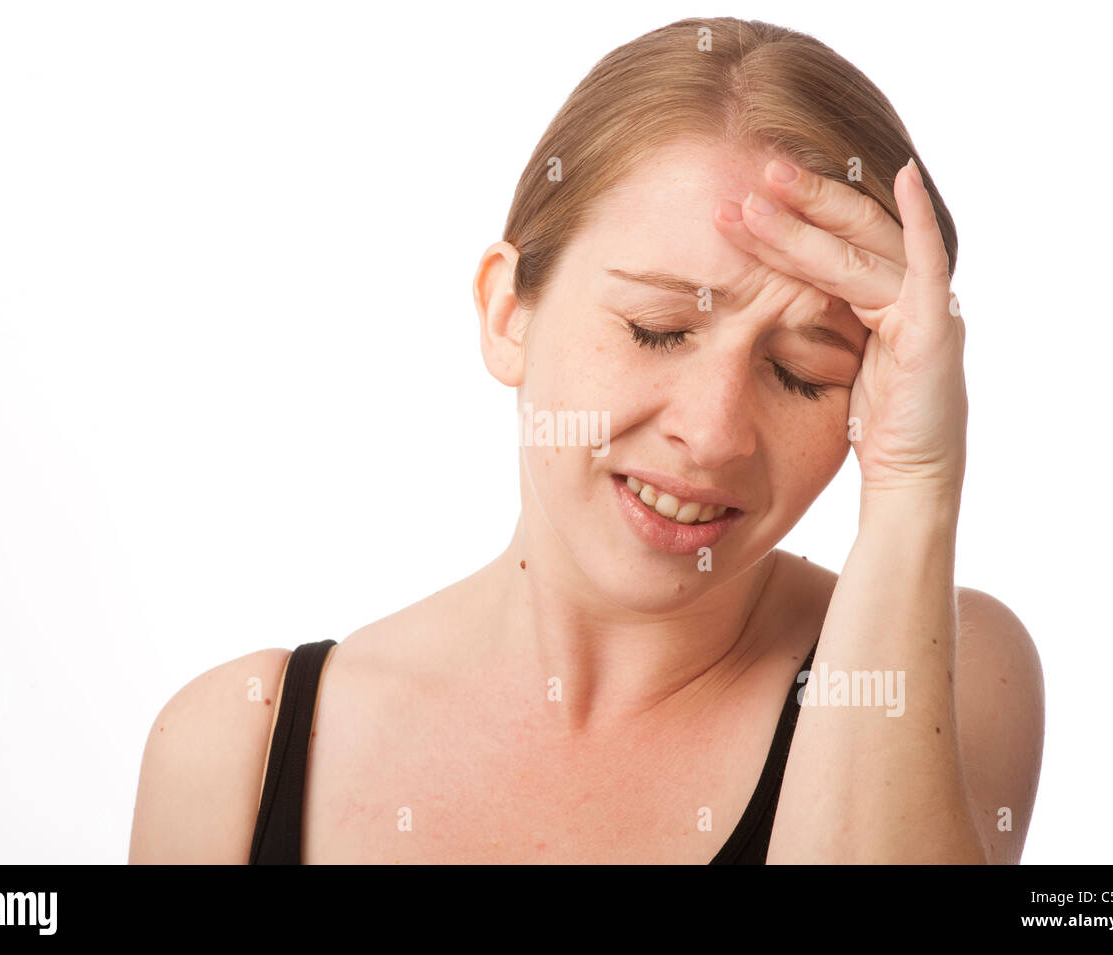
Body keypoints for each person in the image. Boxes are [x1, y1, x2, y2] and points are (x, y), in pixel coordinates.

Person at [128, 16, 1044, 864]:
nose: (713, 433)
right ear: (505, 312)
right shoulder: (230, 751)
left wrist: (912, 486)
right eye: (656, 328)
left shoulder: (953, 667)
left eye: (804, 373)